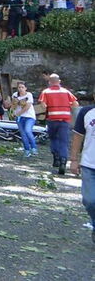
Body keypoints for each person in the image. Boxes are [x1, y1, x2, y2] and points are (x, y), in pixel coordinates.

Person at [39, 73, 79, 175]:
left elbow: (43, 106)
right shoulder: (66, 92)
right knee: (64, 141)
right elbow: (75, 104)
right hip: (64, 120)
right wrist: (67, 105)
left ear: (49, 82)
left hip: (52, 119)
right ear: (59, 81)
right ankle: (63, 161)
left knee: (53, 139)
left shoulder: (46, 92)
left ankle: (56, 157)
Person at [69, 100, 95, 245]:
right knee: (89, 201)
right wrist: (73, 159)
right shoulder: (86, 112)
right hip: (89, 164)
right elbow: (78, 136)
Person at [11, 81, 37, 158]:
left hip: (29, 116)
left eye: (22, 87)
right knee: (23, 134)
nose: (21, 89)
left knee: (28, 130)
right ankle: (27, 150)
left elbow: (27, 106)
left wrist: (19, 113)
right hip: (19, 117)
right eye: (19, 87)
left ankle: (33, 147)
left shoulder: (29, 95)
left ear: (25, 88)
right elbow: (13, 105)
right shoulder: (15, 95)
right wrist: (12, 112)